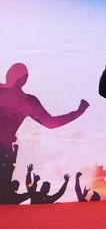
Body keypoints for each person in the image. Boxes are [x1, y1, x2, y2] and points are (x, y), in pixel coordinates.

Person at [0, 63, 88, 204]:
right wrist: (78, 112)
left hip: (5, 153)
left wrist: (78, 112)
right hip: (5, 153)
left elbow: (50, 123)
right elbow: (51, 123)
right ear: (24, 79)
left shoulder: (25, 101)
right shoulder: (27, 101)